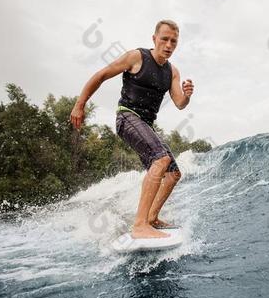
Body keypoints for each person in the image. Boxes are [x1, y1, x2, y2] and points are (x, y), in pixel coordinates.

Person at [70, 19, 194, 239]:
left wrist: (187, 95)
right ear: (154, 38)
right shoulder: (136, 57)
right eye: (164, 39)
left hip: (145, 124)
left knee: (173, 173)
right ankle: (139, 225)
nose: (168, 45)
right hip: (127, 117)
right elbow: (100, 76)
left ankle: (151, 218)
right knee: (160, 160)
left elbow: (179, 103)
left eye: (173, 41)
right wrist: (80, 104)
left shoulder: (172, 72)